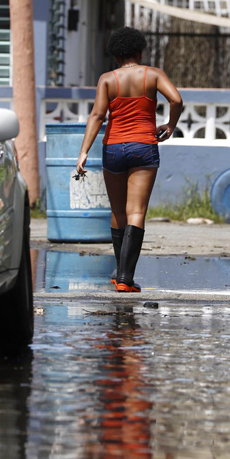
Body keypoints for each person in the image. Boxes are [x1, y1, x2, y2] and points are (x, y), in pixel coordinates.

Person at [76, 27, 183, 293]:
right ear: (140, 50)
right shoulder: (153, 74)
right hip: (144, 146)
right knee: (137, 212)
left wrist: (83, 152)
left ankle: (118, 272)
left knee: (118, 211)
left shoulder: (107, 79)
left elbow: (97, 116)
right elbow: (177, 99)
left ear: (115, 56)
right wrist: (170, 125)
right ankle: (125, 278)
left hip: (113, 147)